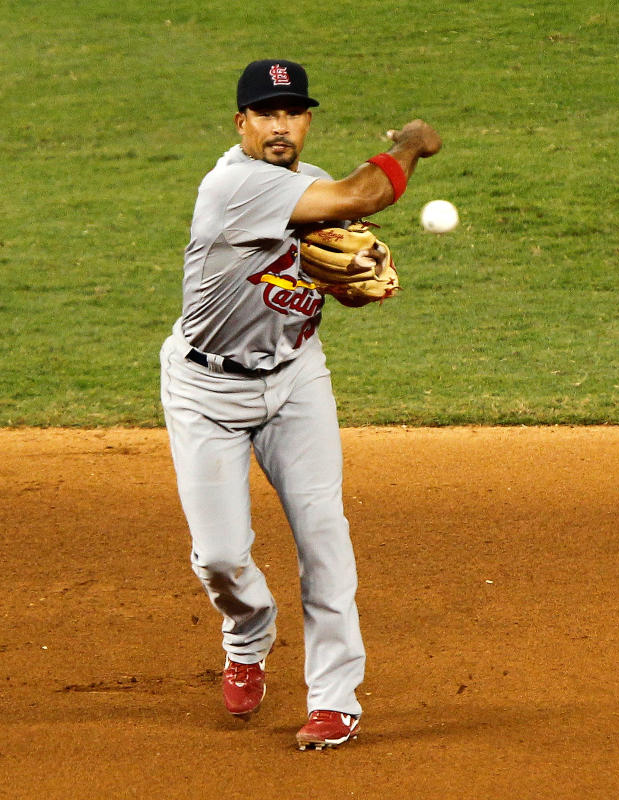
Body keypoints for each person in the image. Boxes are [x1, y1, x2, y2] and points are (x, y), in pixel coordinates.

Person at [160, 58, 441, 750]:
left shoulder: (311, 187)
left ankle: (335, 698)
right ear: (241, 123)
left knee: (324, 535)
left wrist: (347, 287)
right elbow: (365, 195)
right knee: (220, 557)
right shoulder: (233, 187)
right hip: (206, 389)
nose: (280, 125)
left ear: (306, 120)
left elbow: (322, 277)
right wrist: (410, 143)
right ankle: (248, 632)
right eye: (265, 113)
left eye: (292, 112)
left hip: (294, 381)